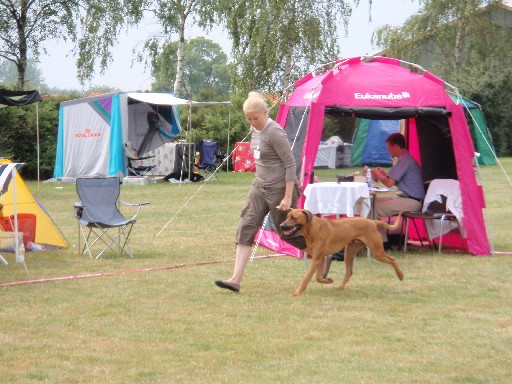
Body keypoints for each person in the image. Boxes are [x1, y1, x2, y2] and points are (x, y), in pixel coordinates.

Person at [215, 92, 305, 293]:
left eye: (256, 118)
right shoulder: (254, 128)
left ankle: (322, 253)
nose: (252, 122)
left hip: (280, 188)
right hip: (259, 185)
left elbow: (290, 164)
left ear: (265, 112)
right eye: (249, 118)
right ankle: (235, 280)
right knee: (246, 225)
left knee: (288, 233)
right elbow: (252, 97)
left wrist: (288, 196)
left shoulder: (275, 132)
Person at [369, 132, 425, 244]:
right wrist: (383, 175)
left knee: (374, 208)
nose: (388, 150)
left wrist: (378, 176)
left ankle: (382, 243)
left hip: (412, 201)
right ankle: (377, 240)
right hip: (409, 198)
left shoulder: (405, 160)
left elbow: (389, 183)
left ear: (395, 146)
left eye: (388, 147)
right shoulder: (405, 159)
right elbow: (394, 179)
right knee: (370, 203)